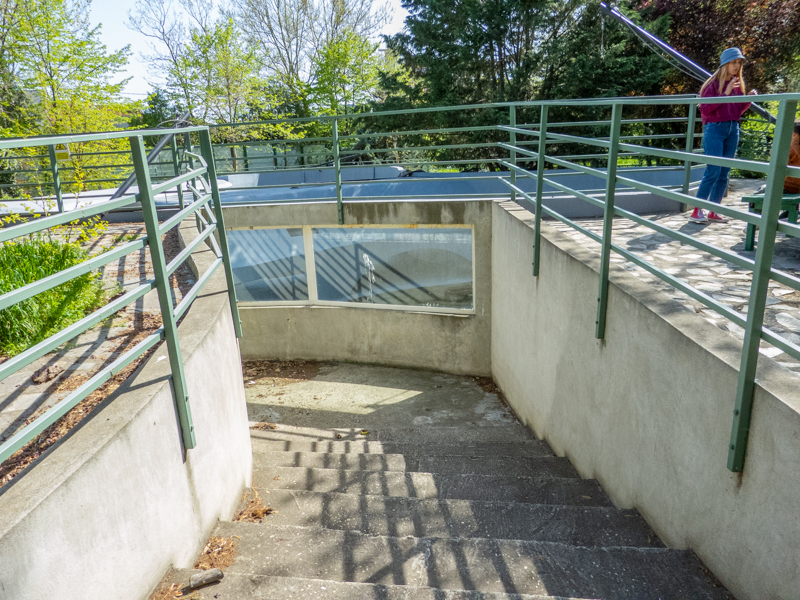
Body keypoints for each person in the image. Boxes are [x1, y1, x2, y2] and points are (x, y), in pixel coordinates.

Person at [690, 47, 758, 224]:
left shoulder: (737, 84)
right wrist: (725, 93)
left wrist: (748, 100)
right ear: (725, 64)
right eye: (734, 62)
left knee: (724, 172)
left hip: (732, 128)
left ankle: (714, 209)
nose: (737, 66)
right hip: (715, 129)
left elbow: (736, 111)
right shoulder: (711, 85)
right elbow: (705, 109)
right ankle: (697, 210)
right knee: (713, 171)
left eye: (739, 63)